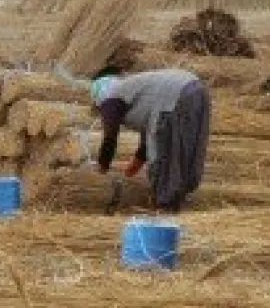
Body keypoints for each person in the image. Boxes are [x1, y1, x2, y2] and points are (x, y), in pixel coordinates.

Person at [91, 66, 212, 212]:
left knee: (163, 156)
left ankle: (165, 208)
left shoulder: (110, 99)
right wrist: (134, 166)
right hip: (197, 88)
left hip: (174, 97)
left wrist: (102, 169)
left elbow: (110, 138)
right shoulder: (134, 88)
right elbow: (147, 139)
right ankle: (179, 199)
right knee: (188, 148)